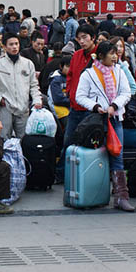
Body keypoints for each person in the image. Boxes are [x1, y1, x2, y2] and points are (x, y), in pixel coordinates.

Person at [75, 40, 134, 211]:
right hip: (95, 121)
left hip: (115, 119)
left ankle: (121, 197)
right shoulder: (88, 74)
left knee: (117, 155)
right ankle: (94, 194)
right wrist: (96, 107)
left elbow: (126, 93)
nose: (115, 57)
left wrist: (113, 106)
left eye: (116, 53)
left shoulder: (120, 72)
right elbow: (80, 96)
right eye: (112, 53)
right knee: (95, 157)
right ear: (101, 56)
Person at [0, 33, 42, 139]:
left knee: (24, 139)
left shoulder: (28, 64)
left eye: (16, 44)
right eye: (11, 44)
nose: (14, 47)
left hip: (23, 108)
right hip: (5, 108)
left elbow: (34, 85)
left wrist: (37, 100)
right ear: (4, 46)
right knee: (3, 138)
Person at [57, 24, 98, 180]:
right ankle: (61, 174)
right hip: (75, 107)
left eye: (85, 38)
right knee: (68, 142)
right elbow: (70, 75)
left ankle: (86, 176)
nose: (82, 41)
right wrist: (69, 91)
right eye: (79, 38)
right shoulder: (76, 55)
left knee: (89, 144)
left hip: (91, 108)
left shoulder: (100, 56)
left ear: (93, 38)